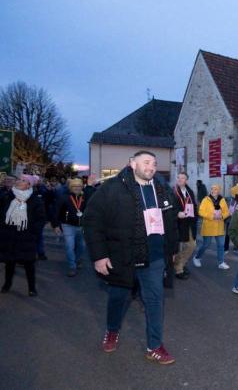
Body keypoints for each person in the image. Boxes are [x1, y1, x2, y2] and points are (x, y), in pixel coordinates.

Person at [82, 150, 178, 365]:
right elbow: (91, 221)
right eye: (146, 162)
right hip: (123, 257)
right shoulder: (112, 188)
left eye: (154, 163)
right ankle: (112, 330)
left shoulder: (162, 189)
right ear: (132, 164)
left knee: (155, 301)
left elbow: (171, 221)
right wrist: (99, 256)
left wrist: (171, 250)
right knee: (118, 298)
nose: (151, 167)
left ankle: (154, 346)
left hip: (154, 257)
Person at [0, 174, 46, 296]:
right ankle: (7, 284)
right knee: (9, 263)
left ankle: (32, 288)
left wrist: (32, 232)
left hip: (26, 236)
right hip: (9, 236)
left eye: (23, 180)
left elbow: (41, 219)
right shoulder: (7, 197)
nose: (19, 181)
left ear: (29, 185)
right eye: (19, 179)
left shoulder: (35, 200)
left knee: (29, 264)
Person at [52, 178, 92, 277]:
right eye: (75, 186)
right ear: (71, 187)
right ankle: (72, 266)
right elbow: (56, 211)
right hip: (67, 226)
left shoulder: (85, 197)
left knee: (82, 246)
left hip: (82, 226)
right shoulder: (64, 197)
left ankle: (77, 259)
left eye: (79, 186)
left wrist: (90, 185)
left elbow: (92, 206)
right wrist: (55, 225)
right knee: (70, 246)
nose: (77, 188)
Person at [193, 184, 230, 269]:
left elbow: (227, 212)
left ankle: (221, 262)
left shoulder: (222, 200)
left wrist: (222, 216)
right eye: (212, 189)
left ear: (219, 191)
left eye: (216, 189)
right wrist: (211, 216)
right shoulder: (206, 200)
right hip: (208, 226)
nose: (213, 190)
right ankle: (197, 257)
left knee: (221, 245)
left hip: (219, 226)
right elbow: (201, 212)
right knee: (206, 244)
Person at [173, 172, 197, 280]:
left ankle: (180, 264)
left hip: (189, 223)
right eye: (178, 177)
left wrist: (195, 213)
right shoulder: (172, 191)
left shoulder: (189, 191)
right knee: (176, 248)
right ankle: (179, 269)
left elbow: (193, 205)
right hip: (177, 224)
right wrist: (177, 213)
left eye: (182, 178)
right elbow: (168, 207)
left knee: (192, 245)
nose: (180, 179)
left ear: (186, 180)